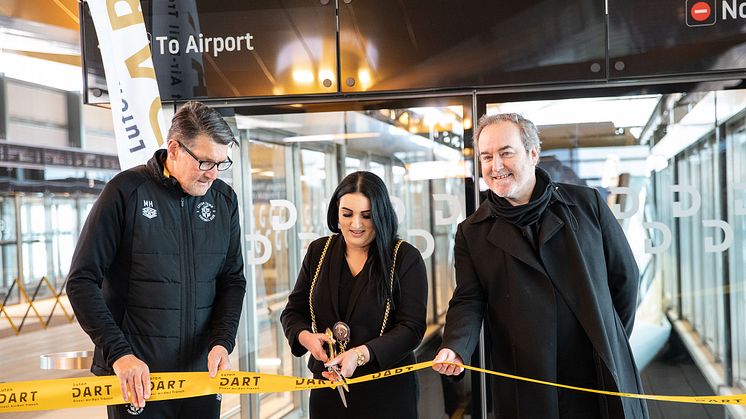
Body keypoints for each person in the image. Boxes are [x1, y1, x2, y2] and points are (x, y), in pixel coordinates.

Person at [432, 113, 648, 419]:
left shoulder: (587, 206)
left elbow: (625, 279)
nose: (496, 166)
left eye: (506, 153)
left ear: (533, 154)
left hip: (597, 372)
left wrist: (609, 337)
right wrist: (455, 346)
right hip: (528, 380)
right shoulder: (472, 232)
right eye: (487, 156)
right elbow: (469, 298)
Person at [66, 101, 246, 419]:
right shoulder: (125, 193)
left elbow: (232, 279)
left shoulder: (224, 200)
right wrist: (119, 354)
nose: (213, 174)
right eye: (205, 162)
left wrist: (222, 341)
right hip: (138, 377)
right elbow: (82, 281)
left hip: (201, 377)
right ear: (174, 148)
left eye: (221, 162)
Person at [281, 171, 427, 419]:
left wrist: (360, 355)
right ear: (336, 211)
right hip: (328, 390)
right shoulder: (319, 252)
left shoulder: (404, 258)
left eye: (367, 216)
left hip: (386, 395)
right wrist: (305, 337)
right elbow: (293, 312)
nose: (355, 224)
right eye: (347, 214)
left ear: (381, 215)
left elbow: (411, 329)